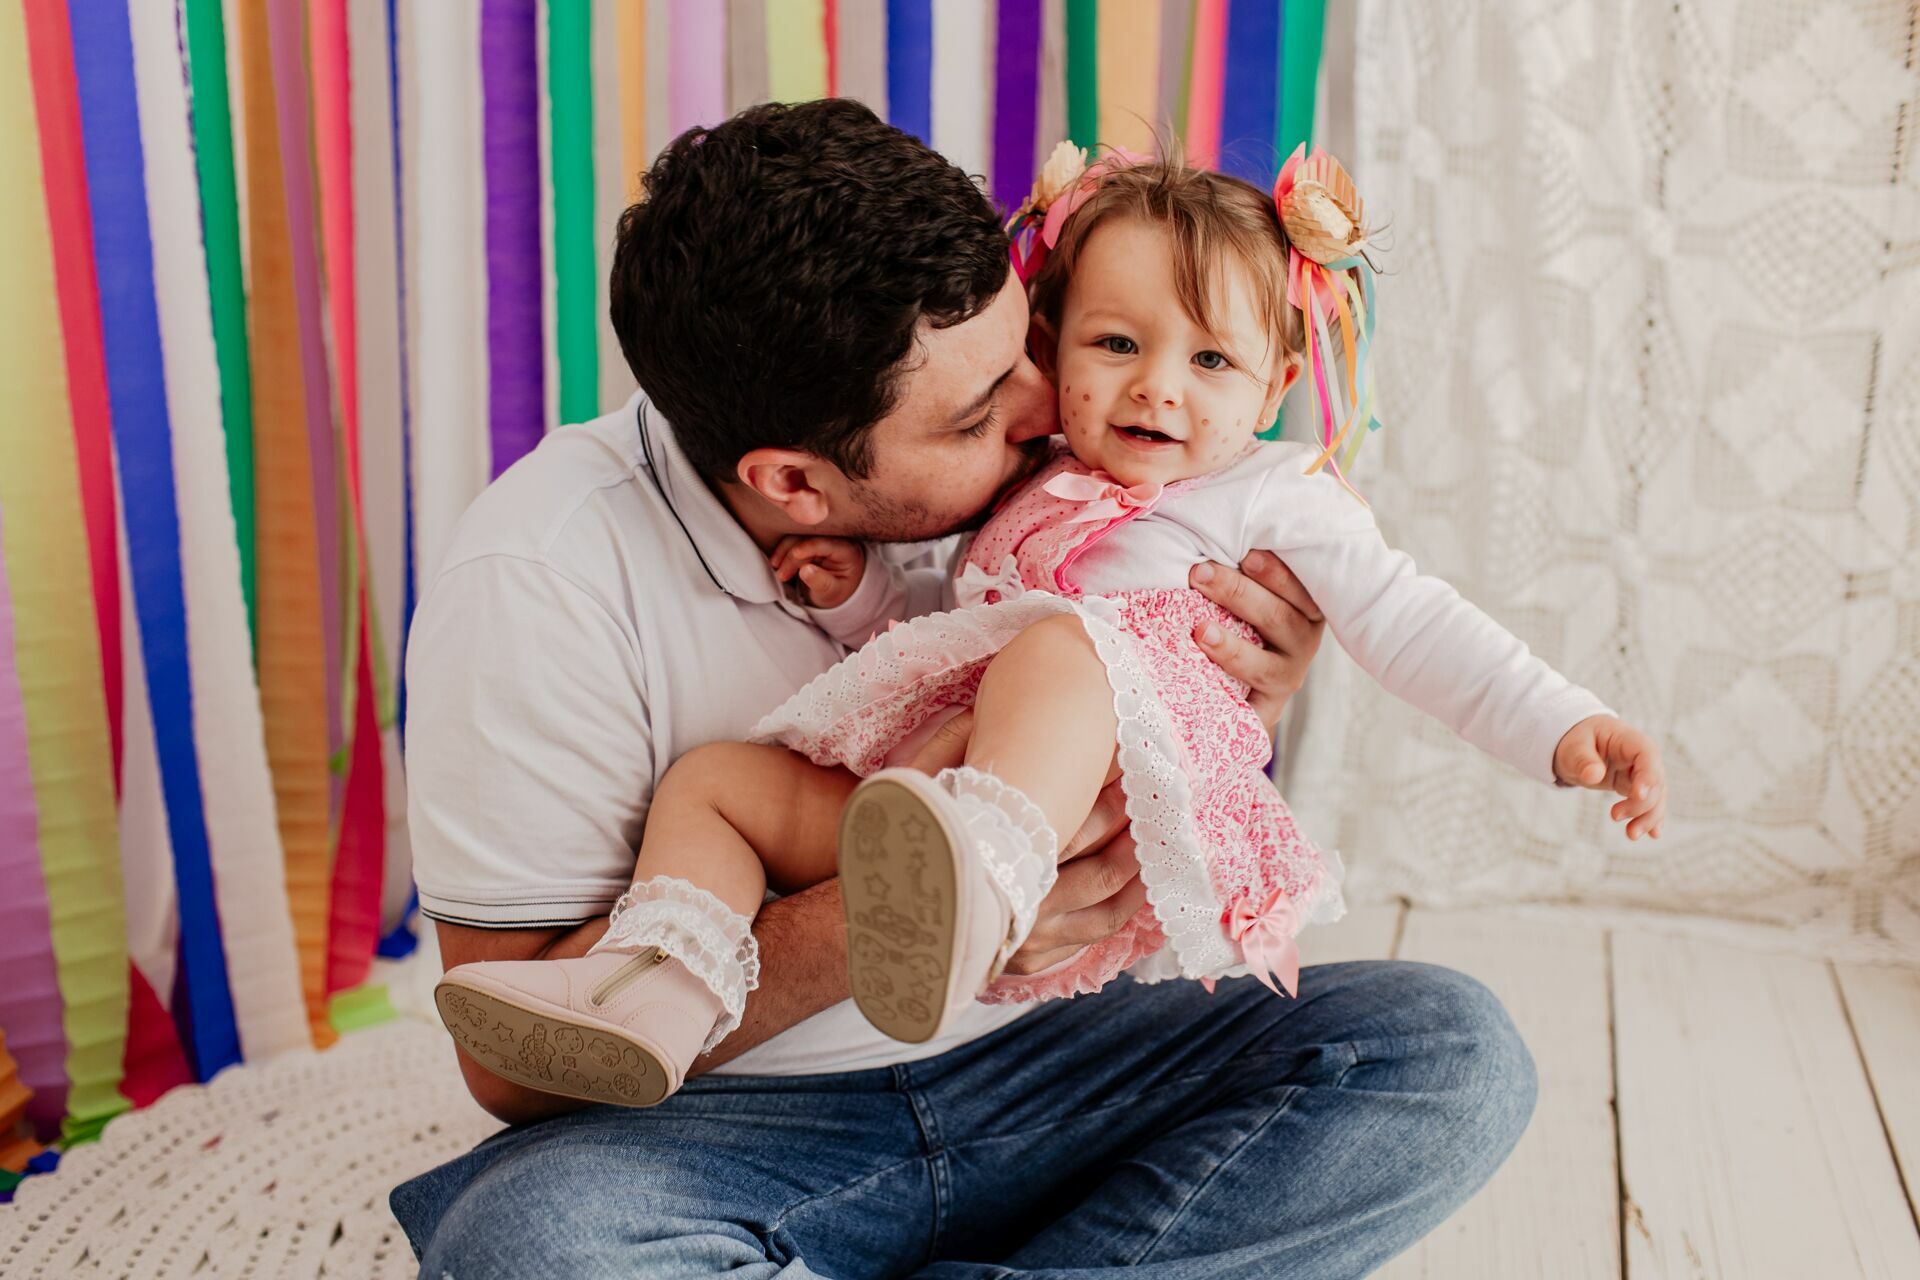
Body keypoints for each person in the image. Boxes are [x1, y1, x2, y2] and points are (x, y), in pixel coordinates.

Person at [392, 99, 1541, 1278]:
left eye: (1033, 342)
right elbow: (508, 1065)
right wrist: (940, 915)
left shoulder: (1093, 463)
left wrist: (1233, 693)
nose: (1053, 409)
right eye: (982, 412)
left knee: (1446, 1051)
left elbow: (1185, 683)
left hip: (1054, 1053)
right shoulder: (539, 581)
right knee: (531, 1247)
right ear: (795, 482)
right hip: (736, 1124)